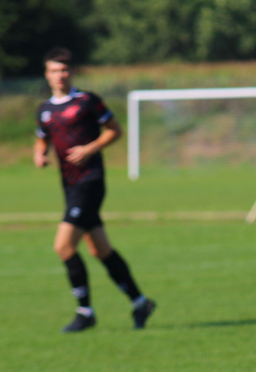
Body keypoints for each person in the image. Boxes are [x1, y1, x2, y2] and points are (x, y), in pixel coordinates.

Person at [34, 47, 156, 332]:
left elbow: (115, 130)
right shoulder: (45, 110)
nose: (59, 75)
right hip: (68, 184)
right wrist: (39, 154)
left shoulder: (88, 101)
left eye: (64, 70)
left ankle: (85, 312)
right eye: (54, 70)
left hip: (91, 182)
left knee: (63, 246)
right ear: (47, 75)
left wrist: (90, 148)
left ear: (71, 73)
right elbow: (42, 139)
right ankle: (140, 302)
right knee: (100, 250)